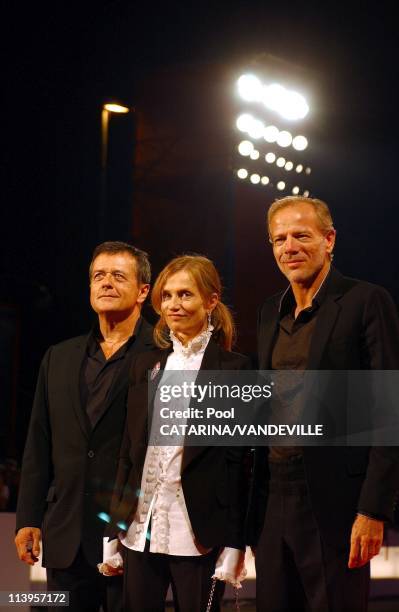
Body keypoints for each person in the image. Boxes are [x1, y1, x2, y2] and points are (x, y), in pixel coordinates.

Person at [248, 196, 399, 612]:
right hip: (272, 504)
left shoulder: (366, 301)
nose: (289, 247)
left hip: (335, 507)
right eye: (279, 239)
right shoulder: (267, 313)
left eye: (301, 235)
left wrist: (373, 509)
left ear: (329, 240)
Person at [100, 254, 250, 612]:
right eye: (166, 296)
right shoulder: (146, 364)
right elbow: (128, 451)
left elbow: (239, 466)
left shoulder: (234, 369)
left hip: (197, 535)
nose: (173, 305)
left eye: (185, 294)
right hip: (139, 529)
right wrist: (112, 529)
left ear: (211, 301)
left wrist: (235, 542)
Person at [15, 241, 154, 612]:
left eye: (118, 276)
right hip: (65, 537)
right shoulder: (58, 356)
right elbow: (38, 442)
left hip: (133, 536)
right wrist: (27, 517)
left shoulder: (165, 353)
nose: (106, 283)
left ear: (143, 291)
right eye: (98, 276)